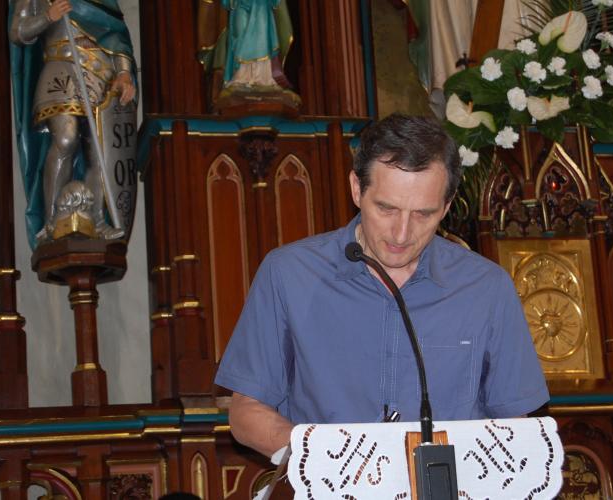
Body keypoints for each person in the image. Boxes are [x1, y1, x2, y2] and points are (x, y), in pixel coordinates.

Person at [215, 114, 549, 457]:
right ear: (356, 189)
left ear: (446, 206)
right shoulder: (289, 274)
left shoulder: (487, 288)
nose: (401, 234)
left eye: (423, 214)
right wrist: (323, 461)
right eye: (386, 209)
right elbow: (246, 412)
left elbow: (515, 425)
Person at [10, 0, 137, 248]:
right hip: (60, 65)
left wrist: (123, 72)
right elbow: (18, 32)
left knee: (99, 151)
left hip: (101, 72)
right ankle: (52, 223)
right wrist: (48, 16)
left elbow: (116, 32)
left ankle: (96, 222)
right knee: (66, 139)